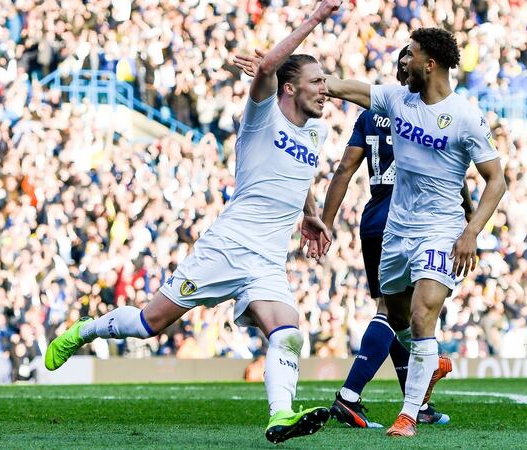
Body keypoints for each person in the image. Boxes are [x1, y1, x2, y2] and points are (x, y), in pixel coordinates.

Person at [45, 0, 342, 443]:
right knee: (150, 323)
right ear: (289, 89)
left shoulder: (315, 131)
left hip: (267, 258)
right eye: (318, 82)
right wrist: (316, 18)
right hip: (228, 246)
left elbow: (295, 174)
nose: (326, 90)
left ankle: (280, 416)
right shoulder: (262, 116)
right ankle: (83, 331)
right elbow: (265, 71)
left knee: (288, 334)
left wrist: (311, 213)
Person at [235, 45, 468, 429]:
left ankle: (417, 397)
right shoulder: (431, 115)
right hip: (413, 218)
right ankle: (351, 395)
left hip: (375, 217)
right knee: (400, 313)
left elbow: (344, 169)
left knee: (396, 311)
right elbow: (450, 172)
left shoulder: (371, 114)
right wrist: (469, 214)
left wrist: (324, 220)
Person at [323, 29, 507, 436]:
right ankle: (433, 363)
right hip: (396, 230)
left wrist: (471, 231)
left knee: (425, 316)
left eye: (412, 56)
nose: (403, 62)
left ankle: (408, 415)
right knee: (399, 319)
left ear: (430, 64)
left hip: (440, 230)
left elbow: (496, 179)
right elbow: (346, 88)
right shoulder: (396, 99)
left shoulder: (465, 115)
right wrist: (295, 72)